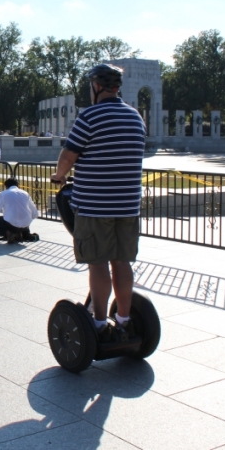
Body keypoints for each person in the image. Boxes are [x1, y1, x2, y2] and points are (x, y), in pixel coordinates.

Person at [50, 64, 146, 344]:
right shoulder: (135, 117)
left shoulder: (89, 116)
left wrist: (59, 175)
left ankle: (100, 322)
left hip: (95, 207)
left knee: (98, 264)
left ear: (96, 87)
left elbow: (69, 155)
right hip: (128, 206)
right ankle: (125, 321)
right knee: (122, 262)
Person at [0, 178, 39, 244]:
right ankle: (22, 234)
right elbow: (35, 213)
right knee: (13, 219)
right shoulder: (25, 193)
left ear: (6, 186)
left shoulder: (3, 194)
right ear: (18, 186)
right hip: (26, 225)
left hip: (12, 225)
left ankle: (8, 233)